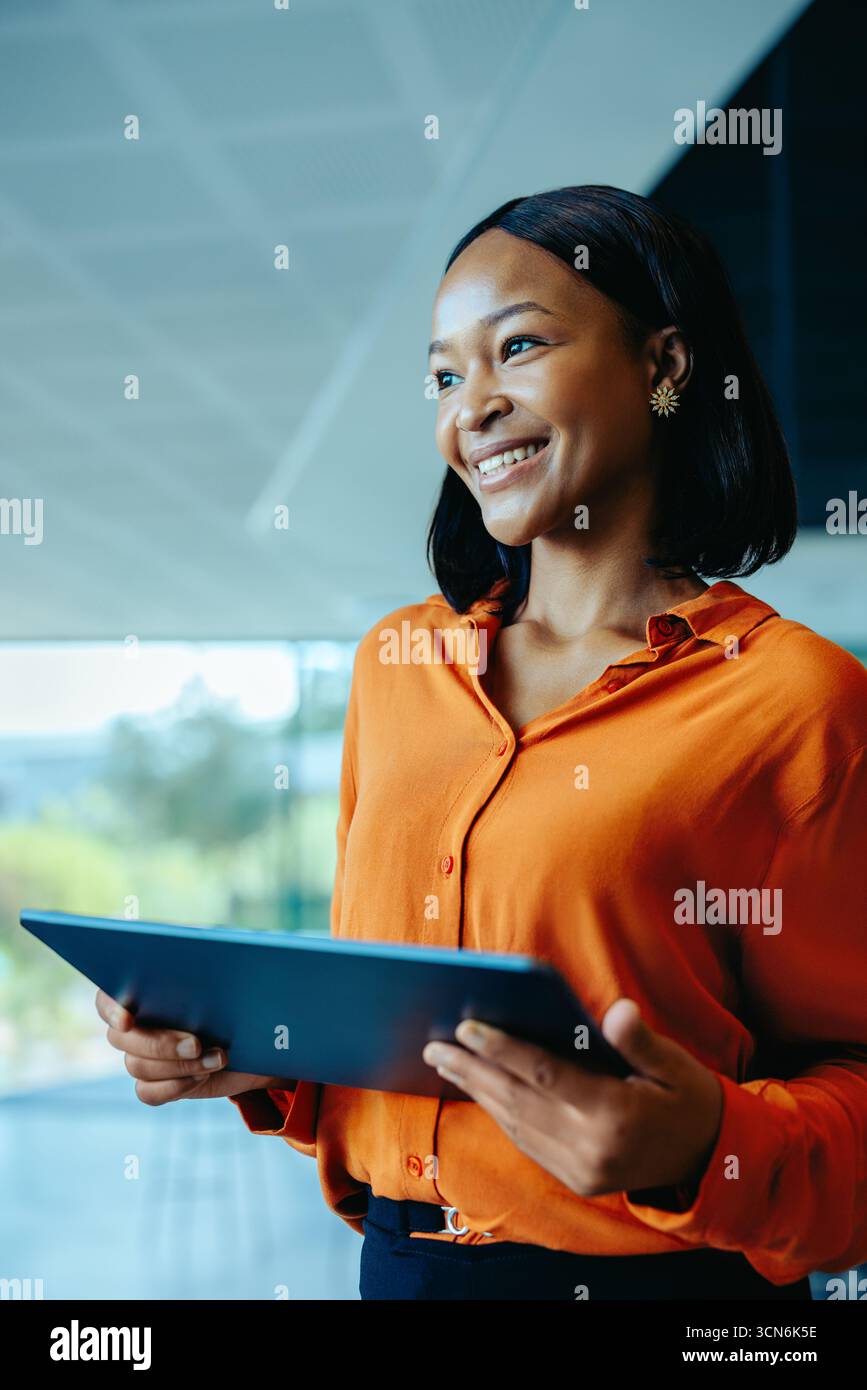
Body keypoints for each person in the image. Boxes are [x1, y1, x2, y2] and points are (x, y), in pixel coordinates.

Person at [96, 185, 867, 1301]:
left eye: (520, 348)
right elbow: (406, 1020)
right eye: (447, 376)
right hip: (401, 1268)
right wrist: (261, 1049)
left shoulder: (798, 701)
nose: (475, 405)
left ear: (665, 366)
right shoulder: (396, 666)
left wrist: (708, 1145)